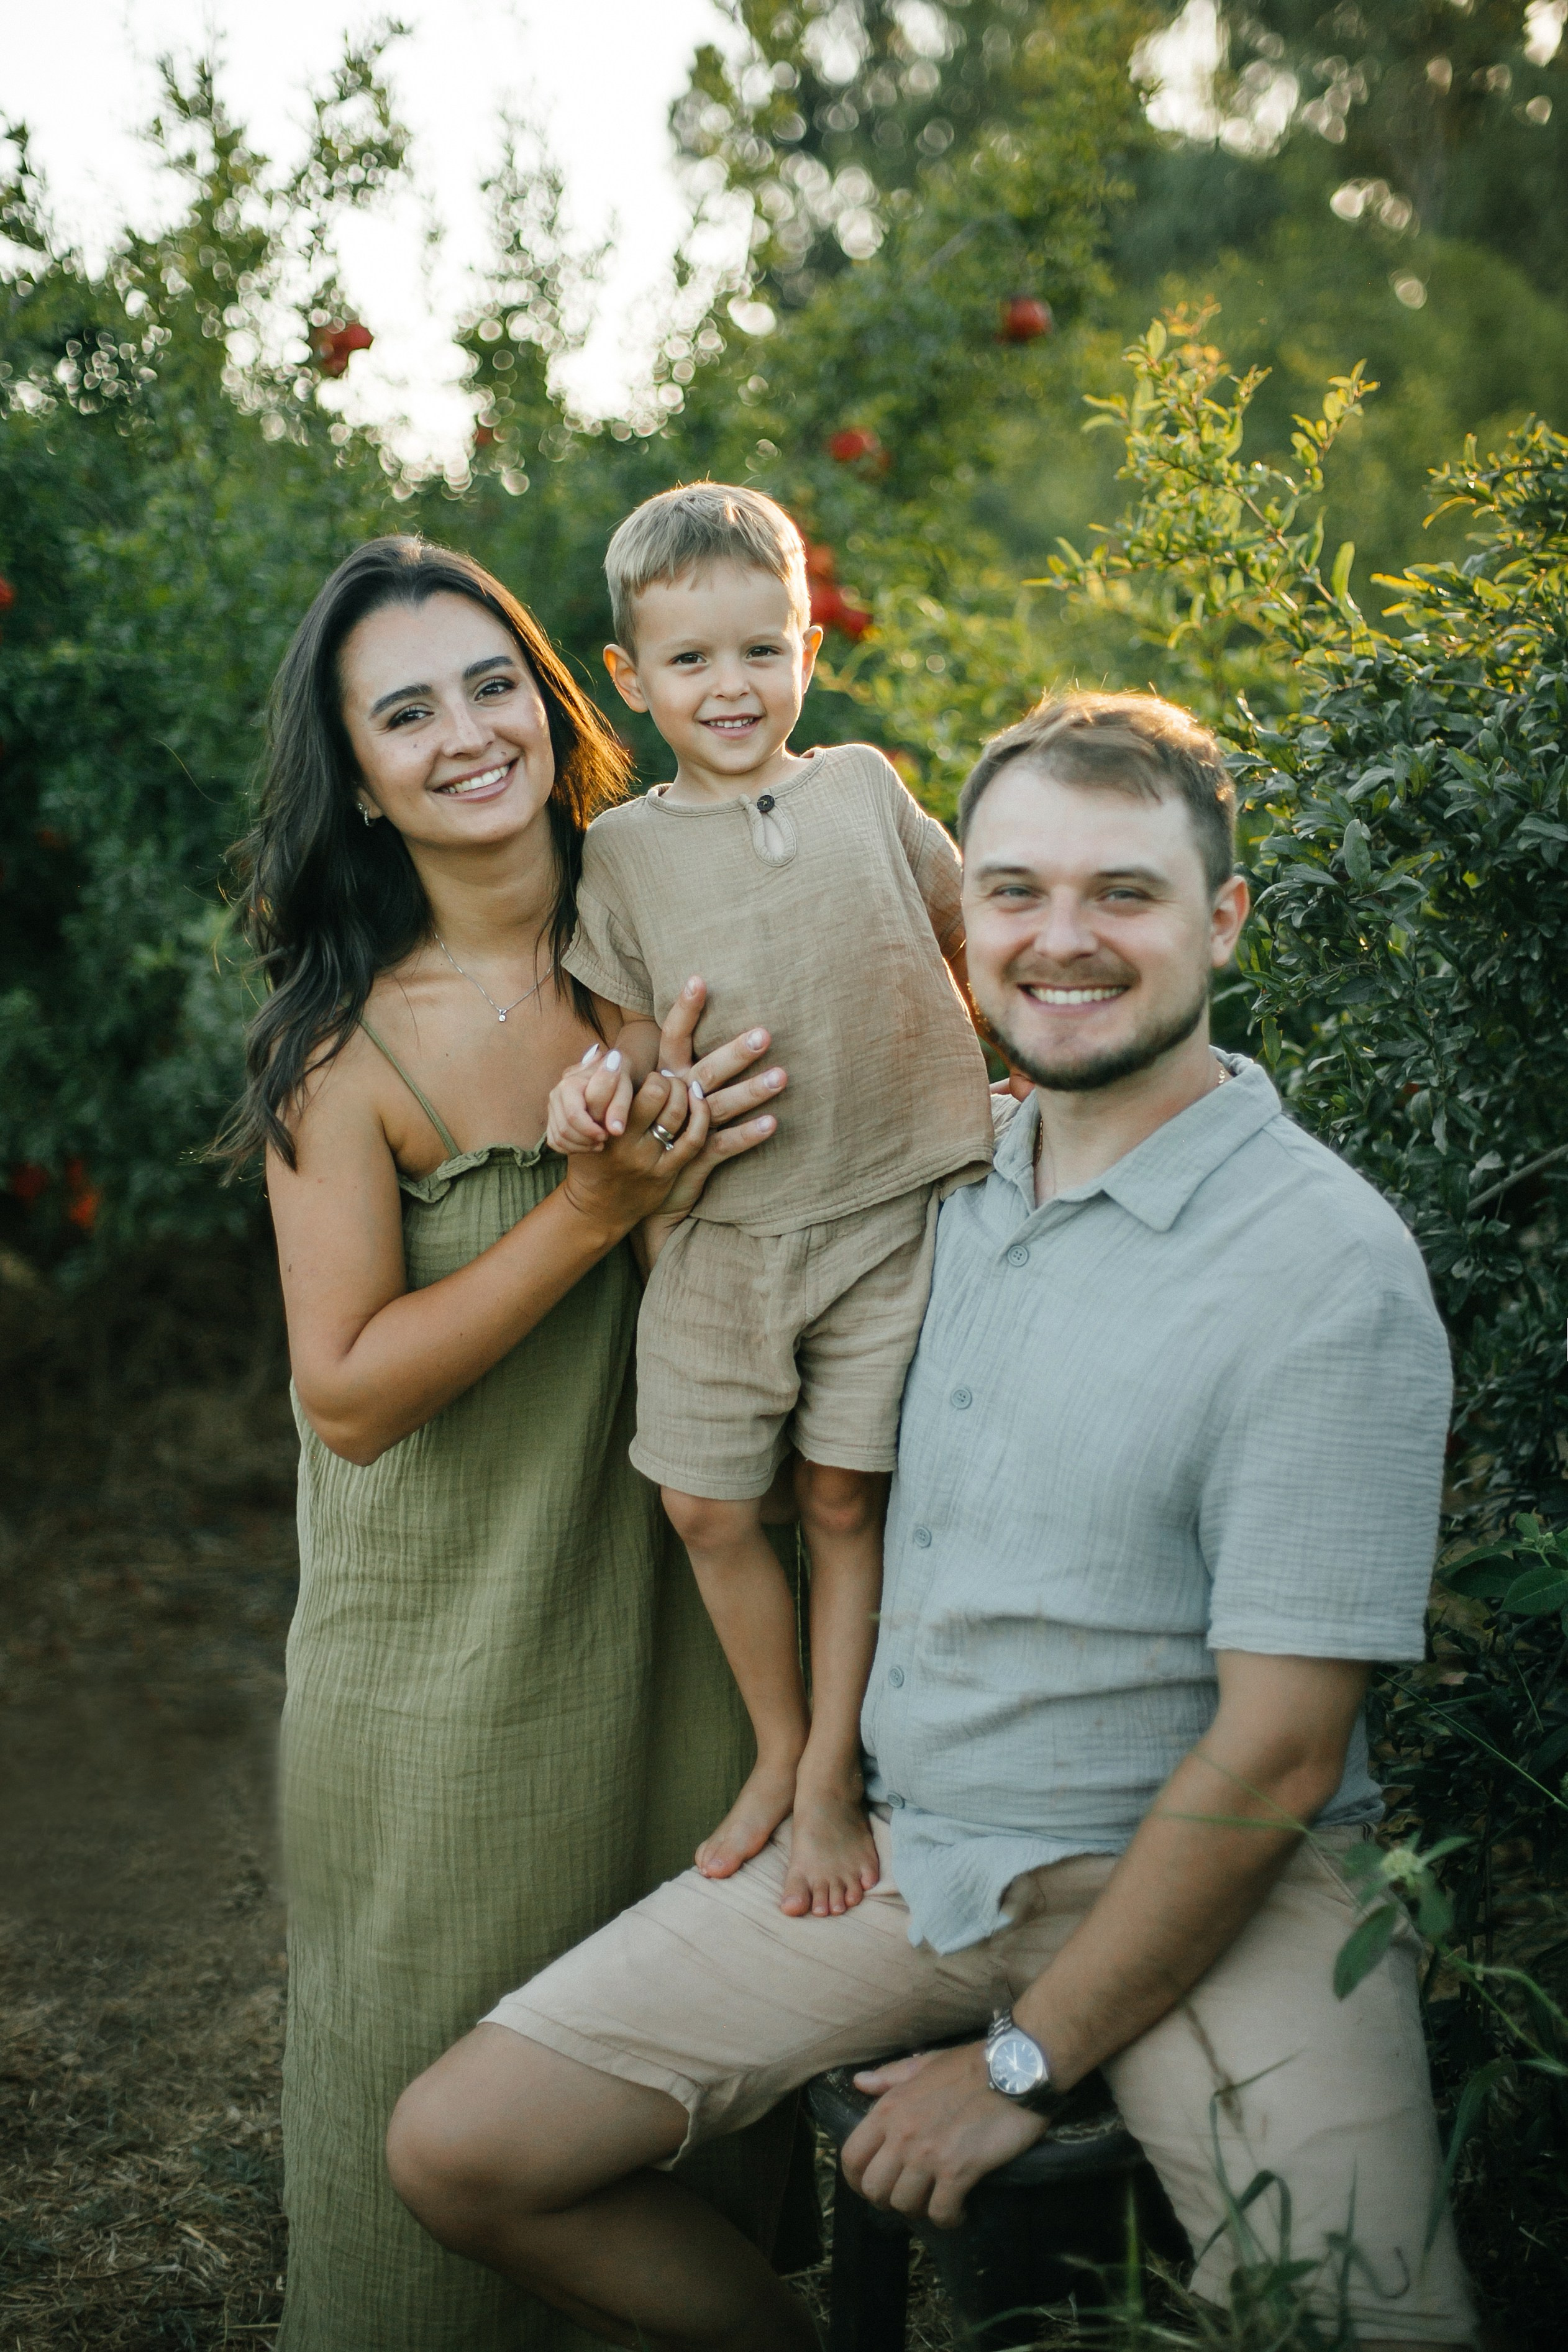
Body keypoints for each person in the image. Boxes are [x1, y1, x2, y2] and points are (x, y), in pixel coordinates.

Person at [386, 690, 1479, 2352]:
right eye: (1017, 891)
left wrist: (1019, 2065)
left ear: (1223, 919)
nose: (1059, 940)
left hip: (1221, 1873)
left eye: (1124, 893)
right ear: (953, 909)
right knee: (463, 2150)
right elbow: (680, 1192)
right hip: (915, 1856)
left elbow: (1275, 1755)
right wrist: (612, 1124)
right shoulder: (934, 1183)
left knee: (1361, 2327)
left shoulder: (1319, 1268)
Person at [224, 534, 797, 2352]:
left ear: (556, 709)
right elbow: (349, 1395)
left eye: (491, 685)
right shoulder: (345, 1056)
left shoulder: (682, 944)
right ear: (367, 787)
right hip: (444, 1693)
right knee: (425, 2210)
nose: (463, 734)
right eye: (405, 713)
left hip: (689, 1654)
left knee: (660, 2142)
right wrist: (590, 1205)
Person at [545, 482, 993, 1918]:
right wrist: (628, 1096)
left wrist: (1022, 1060)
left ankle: (827, 1779)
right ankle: (778, 1740)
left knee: (843, 1497)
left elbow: (960, 921)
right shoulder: (618, 854)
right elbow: (619, 1036)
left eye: (759, 650)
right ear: (628, 677)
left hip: (885, 1209)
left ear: (807, 642)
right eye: (689, 661)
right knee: (703, 1504)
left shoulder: (861, 785)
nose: (729, 688)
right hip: (724, 1233)